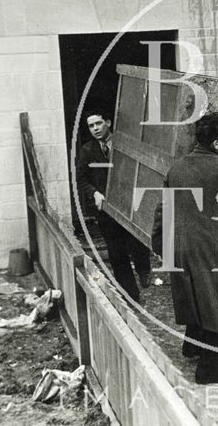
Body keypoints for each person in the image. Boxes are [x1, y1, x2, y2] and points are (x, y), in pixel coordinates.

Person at [151, 112, 218, 385]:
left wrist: (158, 242)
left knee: (196, 296)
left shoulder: (177, 167)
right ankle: (211, 369)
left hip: (182, 245)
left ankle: (193, 347)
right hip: (214, 245)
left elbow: (163, 209)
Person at [76, 109, 151, 303]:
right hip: (106, 211)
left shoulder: (124, 144)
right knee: (117, 254)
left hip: (130, 207)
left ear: (108, 122)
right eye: (91, 126)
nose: (95, 129)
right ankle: (131, 296)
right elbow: (81, 179)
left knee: (138, 243)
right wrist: (94, 193)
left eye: (98, 123)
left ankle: (144, 270)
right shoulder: (87, 151)